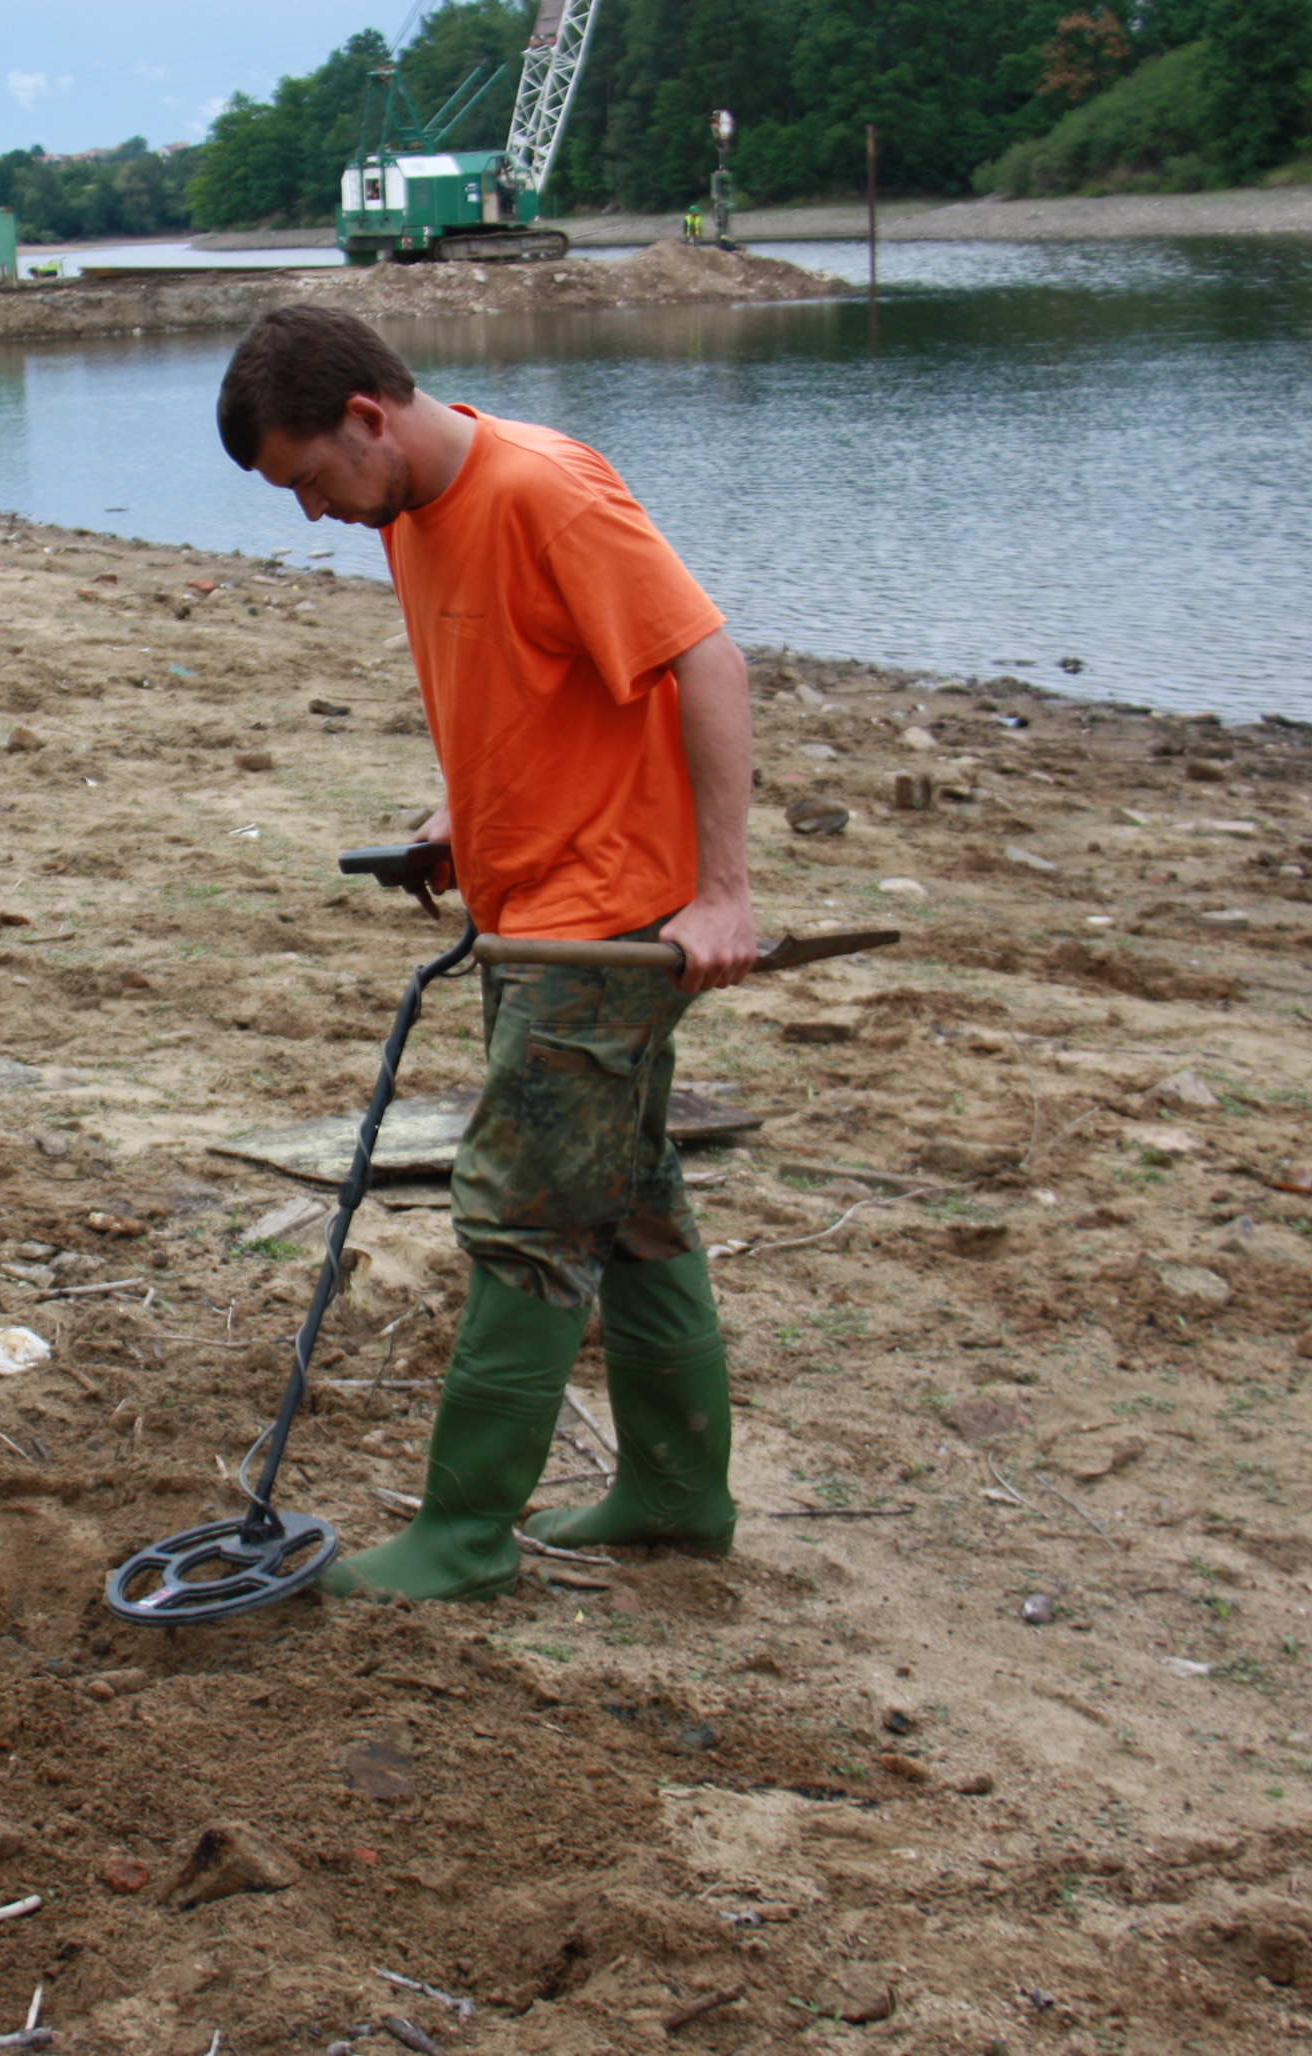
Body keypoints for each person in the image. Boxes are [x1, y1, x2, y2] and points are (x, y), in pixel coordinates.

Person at [215, 304, 757, 1602]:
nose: (310, 514)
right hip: (529, 908)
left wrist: (725, 894)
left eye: (307, 481)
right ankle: (680, 1496)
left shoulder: (543, 491)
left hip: (605, 928)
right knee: (626, 1202)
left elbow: (709, 662)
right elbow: (533, 685)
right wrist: (465, 814)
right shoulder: (405, 512)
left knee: (521, 1208)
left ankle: (459, 1540)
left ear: (365, 418)